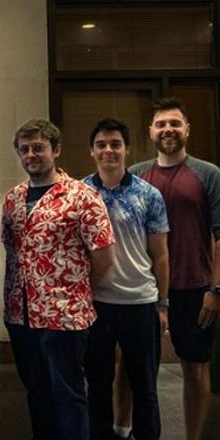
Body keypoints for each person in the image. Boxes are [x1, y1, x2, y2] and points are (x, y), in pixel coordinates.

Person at [1, 118, 114, 439]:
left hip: (64, 317)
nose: (31, 155)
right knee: (36, 395)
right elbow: (13, 251)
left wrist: (73, 289)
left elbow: (104, 256)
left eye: (39, 148)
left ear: (56, 150)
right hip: (20, 316)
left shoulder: (83, 196)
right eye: (24, 150)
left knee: (68, 396)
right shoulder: (12, 199)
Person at [130, 97, 220, 440]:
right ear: (151, 131)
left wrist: (216, 290)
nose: (168, 129)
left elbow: (219, 236)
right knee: (133, 370)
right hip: (143, 290)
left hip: (194, 289)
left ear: (187, 129)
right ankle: (128, 431)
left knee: (195, 368)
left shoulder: (208, 174)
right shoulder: (137, 175)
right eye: (161, 124)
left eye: (175, 123)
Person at [82, 117, 169, 440]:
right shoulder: (80, 193)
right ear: (92, 151)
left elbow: (160, 254)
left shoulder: (149, 195)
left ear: (127, 149)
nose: (109, 150)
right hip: (97, 304)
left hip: (140, 302)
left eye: (115, 144)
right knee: (98, 386)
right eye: (101, 145)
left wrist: (163, 304)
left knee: (145, 388)